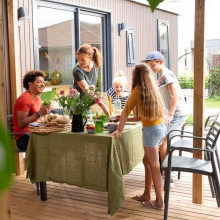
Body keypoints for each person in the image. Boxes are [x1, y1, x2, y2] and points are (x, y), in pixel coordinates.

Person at [112, 64, 167, 210]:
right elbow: (139, 117)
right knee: (147, 161)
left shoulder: (137, 91)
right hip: (161, 129)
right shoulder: (152, 89)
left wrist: (119, 131)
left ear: (136, 76)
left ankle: (160, 201)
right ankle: (147, 194)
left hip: (151, 131)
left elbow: (125, 112)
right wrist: (122, 120)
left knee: (154, 166)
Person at [142, 51, 188, 187]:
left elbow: (175, 94)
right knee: (162, 144)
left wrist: (170, 114)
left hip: (177, 114)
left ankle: (168, 177)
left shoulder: (166, 74)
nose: (151, 68)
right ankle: (164, 175)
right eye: (150, 65)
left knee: (164, 145)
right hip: (172, 114)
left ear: (161, 62)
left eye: (153, 65)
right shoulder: (161, 76)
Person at [13, 70, 51, 151]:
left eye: (43, 82)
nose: (43, 85)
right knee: (52, 143)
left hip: (35, 133)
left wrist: (45, 113)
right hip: (24, 138)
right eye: (39, 82)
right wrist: (39, 114)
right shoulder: (25, 99)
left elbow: (37, 118)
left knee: (56, 138)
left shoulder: (38, 98)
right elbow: (21, 123)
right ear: (30, 84)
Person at [72, 43, 109, 115]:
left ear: (90, 57)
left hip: (87, 103)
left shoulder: (95, 64)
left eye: (83, 60)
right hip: (77, 105)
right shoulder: (77, 70)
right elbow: (88, 91)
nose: (80, 62)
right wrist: (103, 106)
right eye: (78, 59)